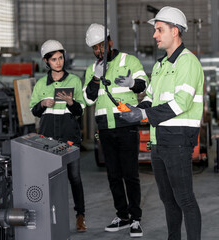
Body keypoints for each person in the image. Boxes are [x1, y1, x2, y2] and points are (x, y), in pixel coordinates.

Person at [120, 6, 203, 240]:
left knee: (184, 198)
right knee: (168, 199)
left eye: (159, 30)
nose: (155, 35)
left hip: (178, 139)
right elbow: (150, 98)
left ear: (175, 31)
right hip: (158, 140)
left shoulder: (187, 62)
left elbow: (182, 103)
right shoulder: (159, 65)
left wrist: (144, 116)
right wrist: (136, 110)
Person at [83, 23, 148, 238]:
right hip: (105, 128)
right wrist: (95, 77)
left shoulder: (129, 60)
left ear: (110, 42)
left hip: (126, 125)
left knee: (130, 175)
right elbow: (88, 98)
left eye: (102, 45)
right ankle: (122, 215)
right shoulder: (92, 69)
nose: (99, 50)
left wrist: (131, 83)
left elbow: (143, 84)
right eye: (95, 48)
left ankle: (136, 218)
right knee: (113, 175)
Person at [29, 40, 87, 232]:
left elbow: (81, 110)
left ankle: (80, 217)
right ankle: (49, 217)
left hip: (70, 138)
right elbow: (34, 111)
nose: (58, 62)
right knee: (50, 180)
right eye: (54, 59)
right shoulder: (40, 85)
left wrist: (71, 102)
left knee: (75, 178)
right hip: (47, 140)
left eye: (60, 57)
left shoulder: (74, 81)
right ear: (46, 61)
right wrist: (43, 104)